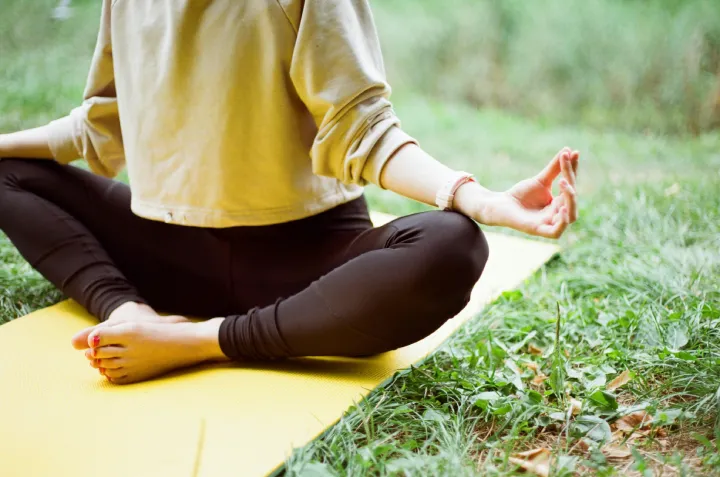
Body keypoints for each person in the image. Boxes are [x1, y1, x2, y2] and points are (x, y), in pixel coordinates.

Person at [0, 0, 579, 384]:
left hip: (306, 266)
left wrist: (479, 200)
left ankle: (200, 341)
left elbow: (365, 130)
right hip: (170, 252)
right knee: (7, 171)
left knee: (452, 244)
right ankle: (135, 318)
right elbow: (102, 124)